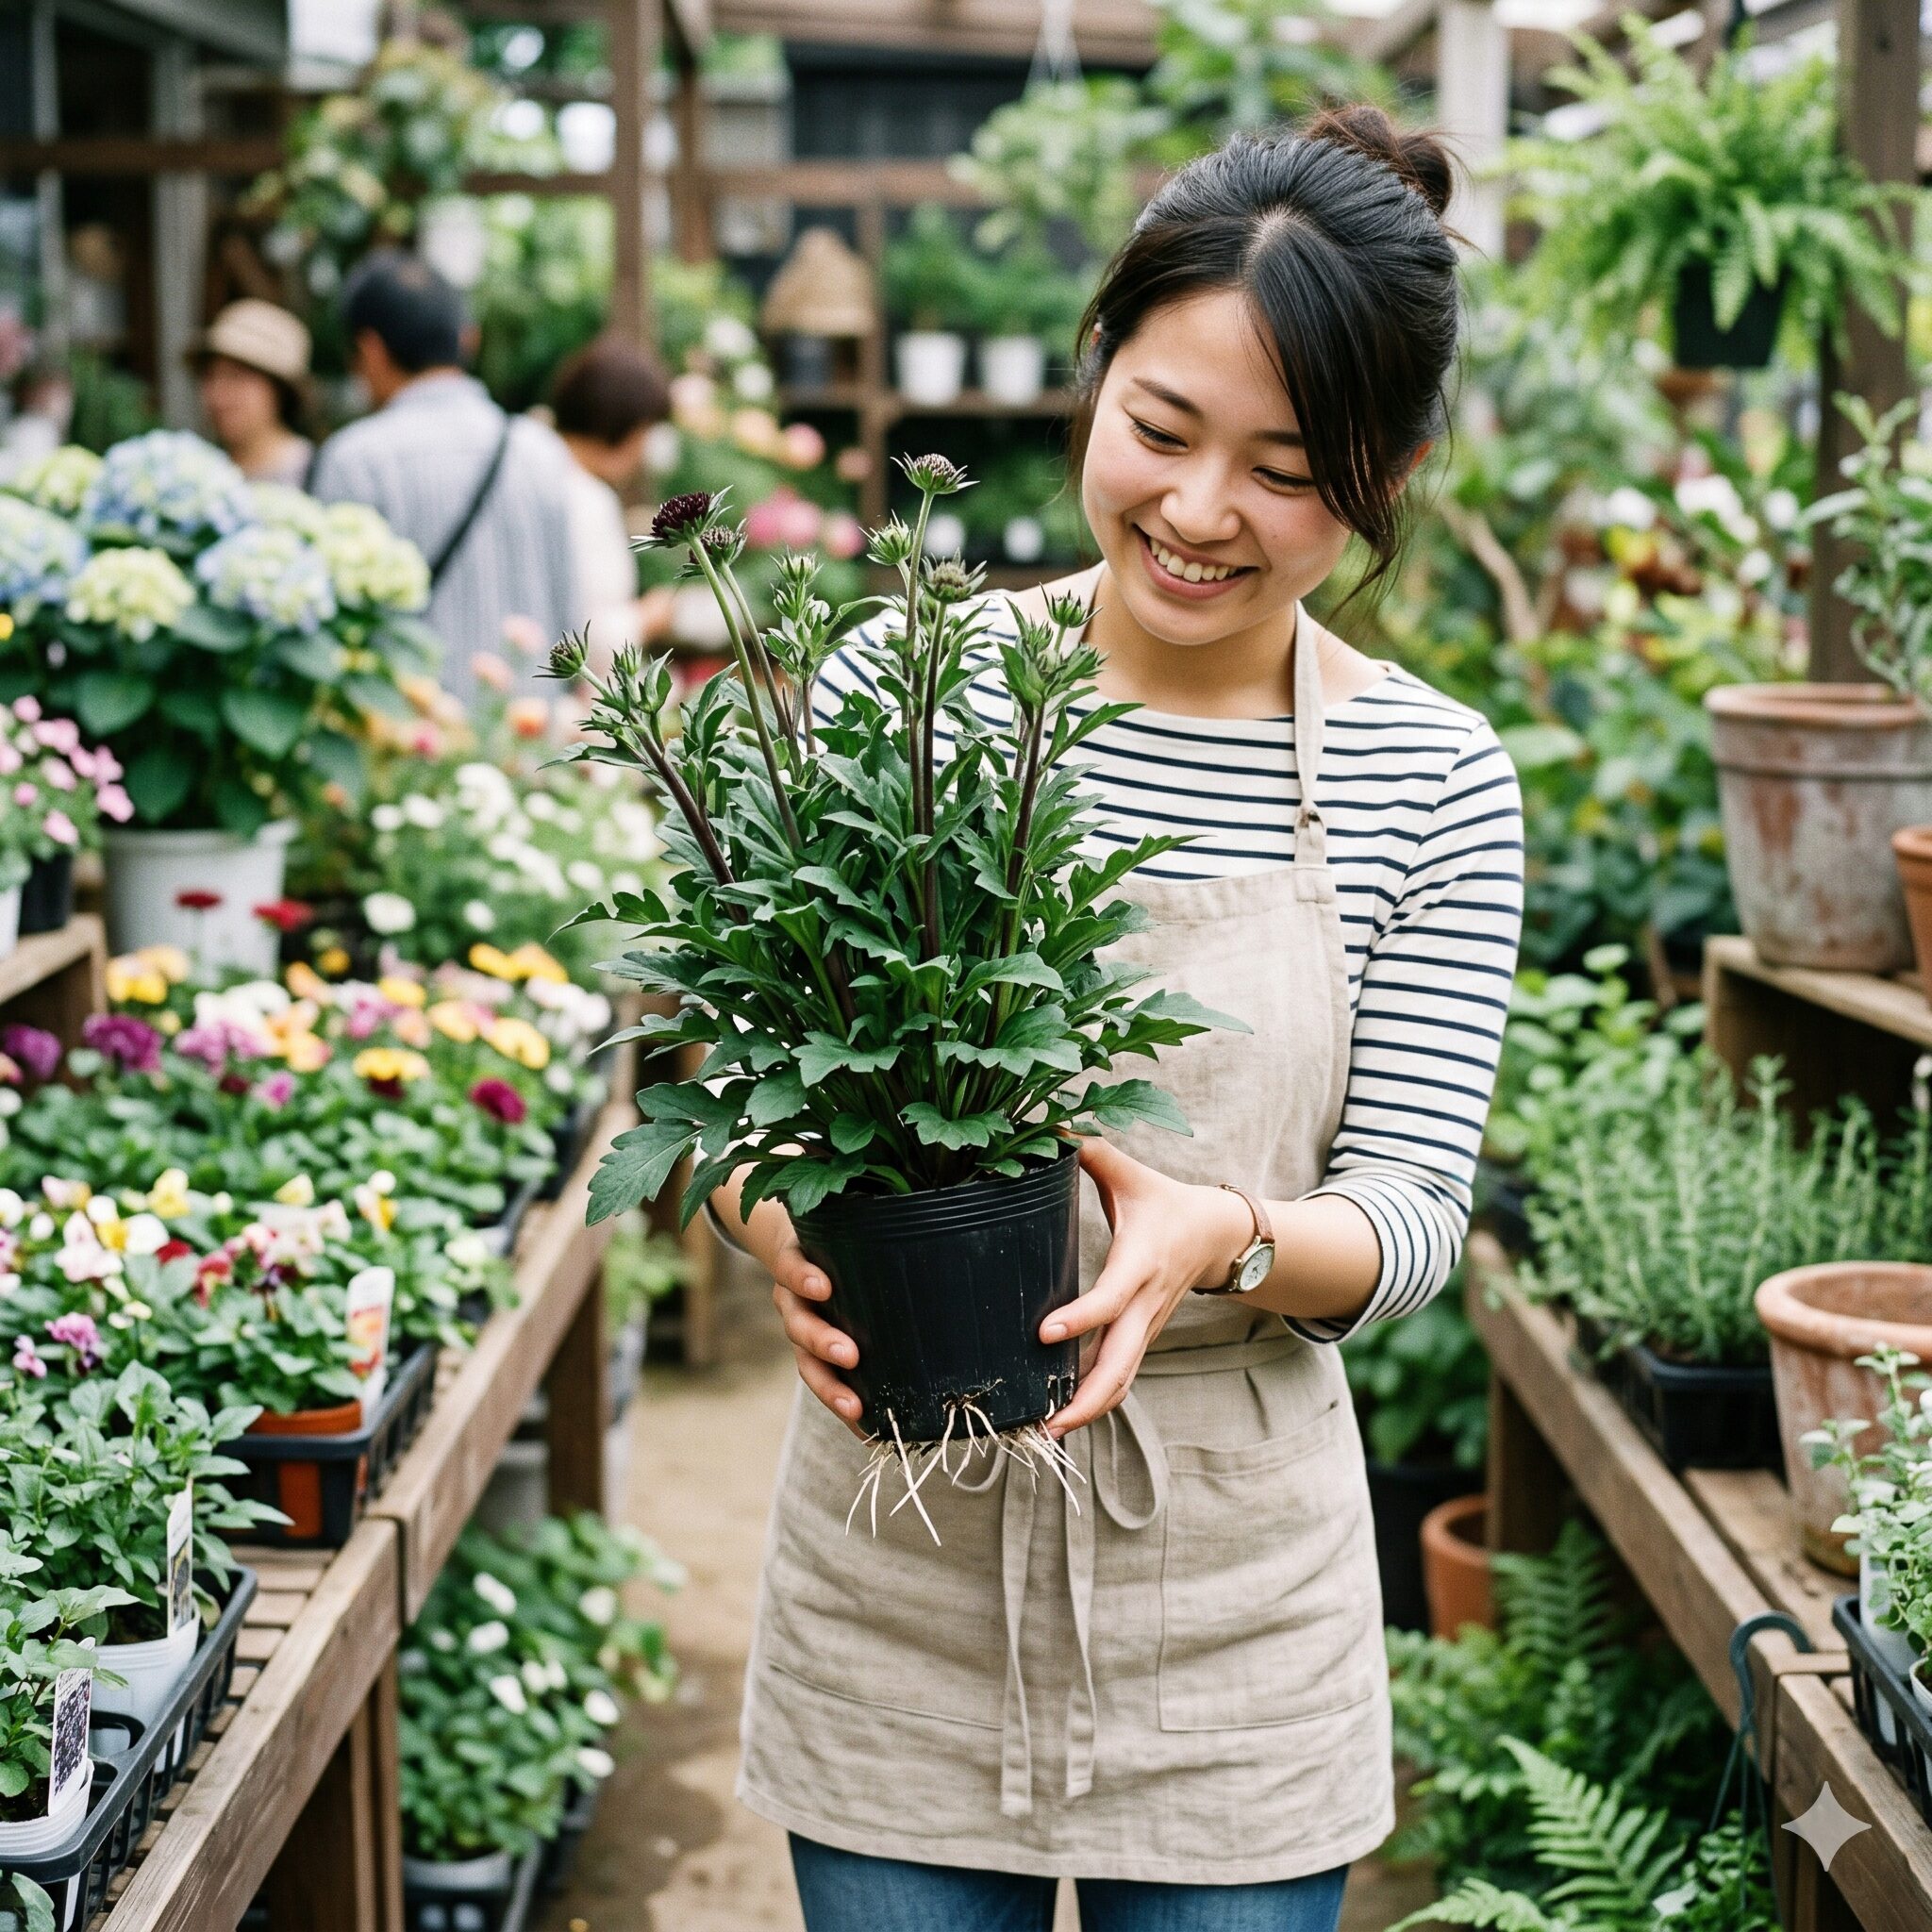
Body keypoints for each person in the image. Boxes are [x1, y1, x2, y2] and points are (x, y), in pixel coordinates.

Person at [709, 108, 1524, 1931]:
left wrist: (1220, 1235)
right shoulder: (910, 691)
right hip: (900, 1542)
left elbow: (1410, 1216)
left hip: (1232, 1576)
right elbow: (745, 1081)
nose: (1198, 509)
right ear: (1095, 372)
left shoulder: (1431, 777)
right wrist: (769, 1213)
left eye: (1288, 467)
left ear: (1386, 472)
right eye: (1159, 429)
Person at [309, 251, 575, 709]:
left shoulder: (355, 460)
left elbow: (331, 631)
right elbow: (571, 618)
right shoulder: (540, 450)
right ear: (467, 340)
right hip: (536, 748)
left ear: (369, 349)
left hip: (412, 753)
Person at [547, 334, 675, 669]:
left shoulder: (536, 470)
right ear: (626, 426)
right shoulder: (587, 500)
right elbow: (591, 635)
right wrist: (647, 618)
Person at [191, 300, 315, 486]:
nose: (218, 393)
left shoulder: (318, 472)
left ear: (278, 389)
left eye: (236, 377)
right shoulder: (198, 476)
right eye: (210, 376)